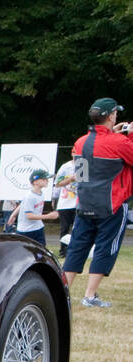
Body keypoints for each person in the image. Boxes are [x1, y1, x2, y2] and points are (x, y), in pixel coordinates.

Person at [62, 97, 133, 306]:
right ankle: (90, 296)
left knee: (77, 247)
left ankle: (62, 294)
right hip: (112, 204)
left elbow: (81, 175)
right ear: (111, 116)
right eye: (115, 114)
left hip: (85, 203)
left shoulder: (80, 142)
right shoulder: (120, 142)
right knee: (105, 247)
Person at [6, 170, 57, 247]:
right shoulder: (29, 196)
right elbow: (29, 216)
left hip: (38, 227)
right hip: (26, 231)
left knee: (41, 251)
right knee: (26, 253)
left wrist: (13, 215)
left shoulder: (41, 194)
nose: (47, 181)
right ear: (35, 182)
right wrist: (48, 216)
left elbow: (22, 204)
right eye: (44, 179)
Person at [52, 156, 79, 257]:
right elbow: (57, 183)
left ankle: (75, 250)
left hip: (79, 202)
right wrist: (54, 197)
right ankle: (63, 250)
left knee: (77, 227)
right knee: (65, 228)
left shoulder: (85, 165)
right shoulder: (65, 167)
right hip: (65, 202)